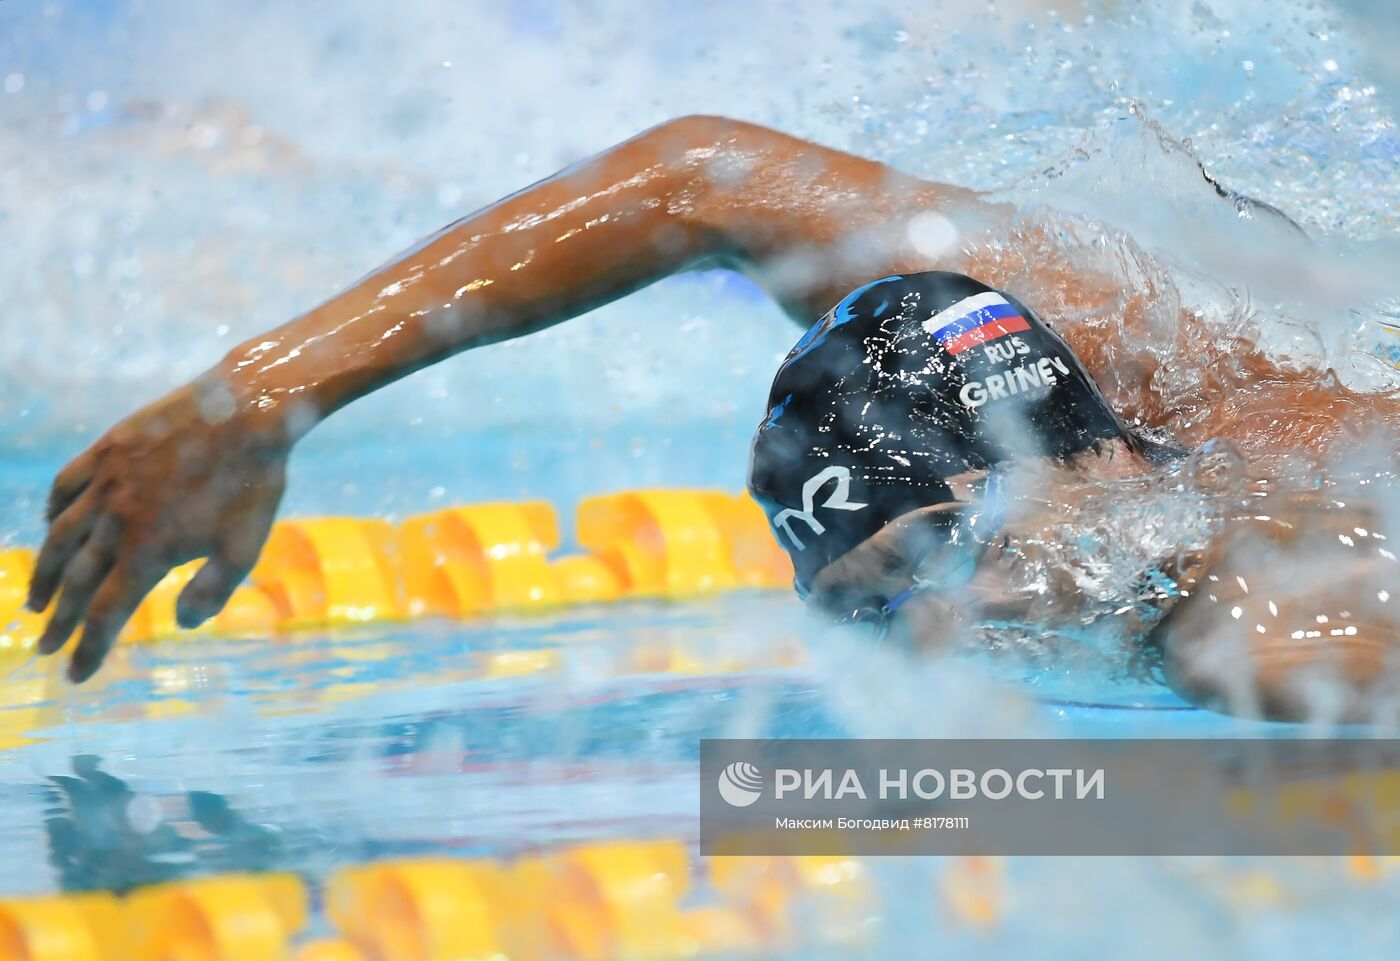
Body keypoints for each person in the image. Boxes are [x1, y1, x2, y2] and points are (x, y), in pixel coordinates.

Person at [25, 116, 1399, 720]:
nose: (932, 626)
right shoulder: (1082, 330)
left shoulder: (1276, 624)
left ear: (1074, 469)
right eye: (867, 599)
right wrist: (260, 398)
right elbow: (693, 179)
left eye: (933, 563)